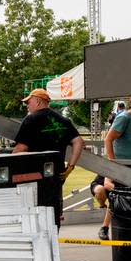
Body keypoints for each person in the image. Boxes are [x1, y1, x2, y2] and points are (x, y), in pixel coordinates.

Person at [13, 88, 84, 224]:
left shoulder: (30, 120)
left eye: (29, 102)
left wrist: (10, 163)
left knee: (34, 217)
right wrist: (71, 166)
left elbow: (21, 148)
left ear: (38, 101)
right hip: (56, 174)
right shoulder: (63, 121)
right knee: (53, 215)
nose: (27, 105)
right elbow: (78, 142)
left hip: (33, 175)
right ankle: (53, 240)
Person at [94, 95, 131, 239]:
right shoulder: (124, 118)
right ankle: (104, 228)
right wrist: (112, 162)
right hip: (121, 165)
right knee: (118, 196)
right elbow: (108, 139)